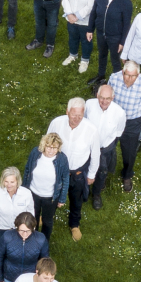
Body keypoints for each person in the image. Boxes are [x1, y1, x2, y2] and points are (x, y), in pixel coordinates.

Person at [46, 98, 99, 239]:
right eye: (74, 115)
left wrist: (92, 174)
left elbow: (95, 154)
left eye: (80, 116)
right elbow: (47, 142)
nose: (76, 119)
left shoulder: (91, 129)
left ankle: (74, 224)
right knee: (52, 195)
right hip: (57, 170)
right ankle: (46, 215)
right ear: (67, 111)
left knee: (77, 200)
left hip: (78, 173)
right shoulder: (56, 123)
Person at [105, 61, 141, 191]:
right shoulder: (114, 78)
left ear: (138, 75)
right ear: (123, 72)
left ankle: (127, 175)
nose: (129, 79)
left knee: (130, 152)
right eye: (127, 75)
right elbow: (108, 96)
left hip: (132, 122)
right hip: (114, 119)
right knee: (107, 148)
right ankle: (103, 173)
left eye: (133, 76)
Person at [86, 0, 134, 84]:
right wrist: (90, 29)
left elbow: (127, 24)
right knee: (102, 55)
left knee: (115, 60)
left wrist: (122, 42)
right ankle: (101, 76)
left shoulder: (126, 2)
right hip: (100, 33)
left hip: (115, 37)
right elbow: (94, 12)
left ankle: (117, 81)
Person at [82, 84, 125, 207]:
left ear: (113, 98)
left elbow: (118, 132)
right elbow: (83, 121)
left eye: (107, 98)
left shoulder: (119, 113)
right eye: (101, 97)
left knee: (102, 171)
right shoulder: (89, 104)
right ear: (97, 96)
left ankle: (96, 194)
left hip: (105, 148)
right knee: (84, 167)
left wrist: (109, 147)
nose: (104, 101)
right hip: (88, 145)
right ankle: (83, 191)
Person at [22, 133, 69, 237]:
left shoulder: (62, 159)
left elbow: (65, 179)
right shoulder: (35, 152)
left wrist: (62, 199)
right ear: (44, 145)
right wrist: (24, 190)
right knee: (32, 218)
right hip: (33, 194)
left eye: (54, 148)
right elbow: (27, 170)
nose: (51, 151)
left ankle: (44, 242)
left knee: (47, 221)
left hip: (50, 197)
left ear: (59, 148)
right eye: (48, 147)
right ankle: (32, 239)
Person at [61, 0, 101, 72]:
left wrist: (76, 16)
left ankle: (85, 60)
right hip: (70, 17)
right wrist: (69, 14)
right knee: (72, 37)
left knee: (85, 40)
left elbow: (91, 5)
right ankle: (72, 55)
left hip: (86, 19)